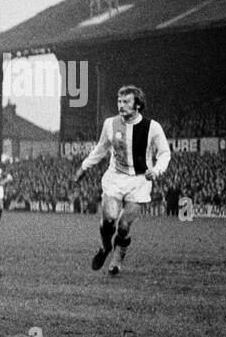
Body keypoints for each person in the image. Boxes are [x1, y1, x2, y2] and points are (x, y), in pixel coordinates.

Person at [72, 85, 171, 276]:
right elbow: (100, 149)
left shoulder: (152, 127)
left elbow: (165, 153)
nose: (121, 105)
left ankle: (117, 260)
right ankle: (104, 247)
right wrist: (84, 167)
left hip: (140, 181)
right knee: (109, 219)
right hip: (115, 178)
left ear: (138, 105)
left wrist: (157, 171)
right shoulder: (110, 124)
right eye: (119, 101)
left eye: (126, 102)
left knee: (124, 225)